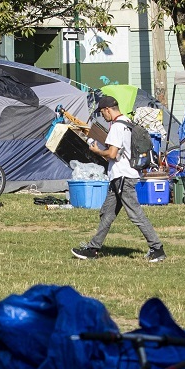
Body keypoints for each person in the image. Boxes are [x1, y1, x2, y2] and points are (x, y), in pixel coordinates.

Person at [71, 95, 166, 262]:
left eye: (102, 112)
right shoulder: (128, 123)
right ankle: (93, 249)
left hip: (123, 177)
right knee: (107, 213)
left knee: (136, 215)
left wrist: (96, 151)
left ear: (108, 110)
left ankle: (157, 248)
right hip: (121, 177)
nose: (103, 116)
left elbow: (112, 154)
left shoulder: (116, 127)